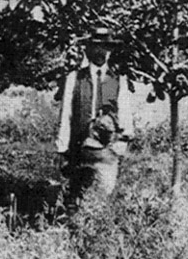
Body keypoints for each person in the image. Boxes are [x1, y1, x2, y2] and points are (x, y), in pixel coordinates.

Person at [55, 27, 134, 201]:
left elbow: (125, 114)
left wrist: (120, 144)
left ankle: (97, 225)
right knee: (75, 194)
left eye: (106, 47)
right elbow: (66, 114)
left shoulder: (118, 79)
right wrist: (62, 148)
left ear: (110, 51)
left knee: (104, 194)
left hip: (106, 151)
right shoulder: (74, 78)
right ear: (88, 49)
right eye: (97, 46)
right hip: (78, 149)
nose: (101, 52)